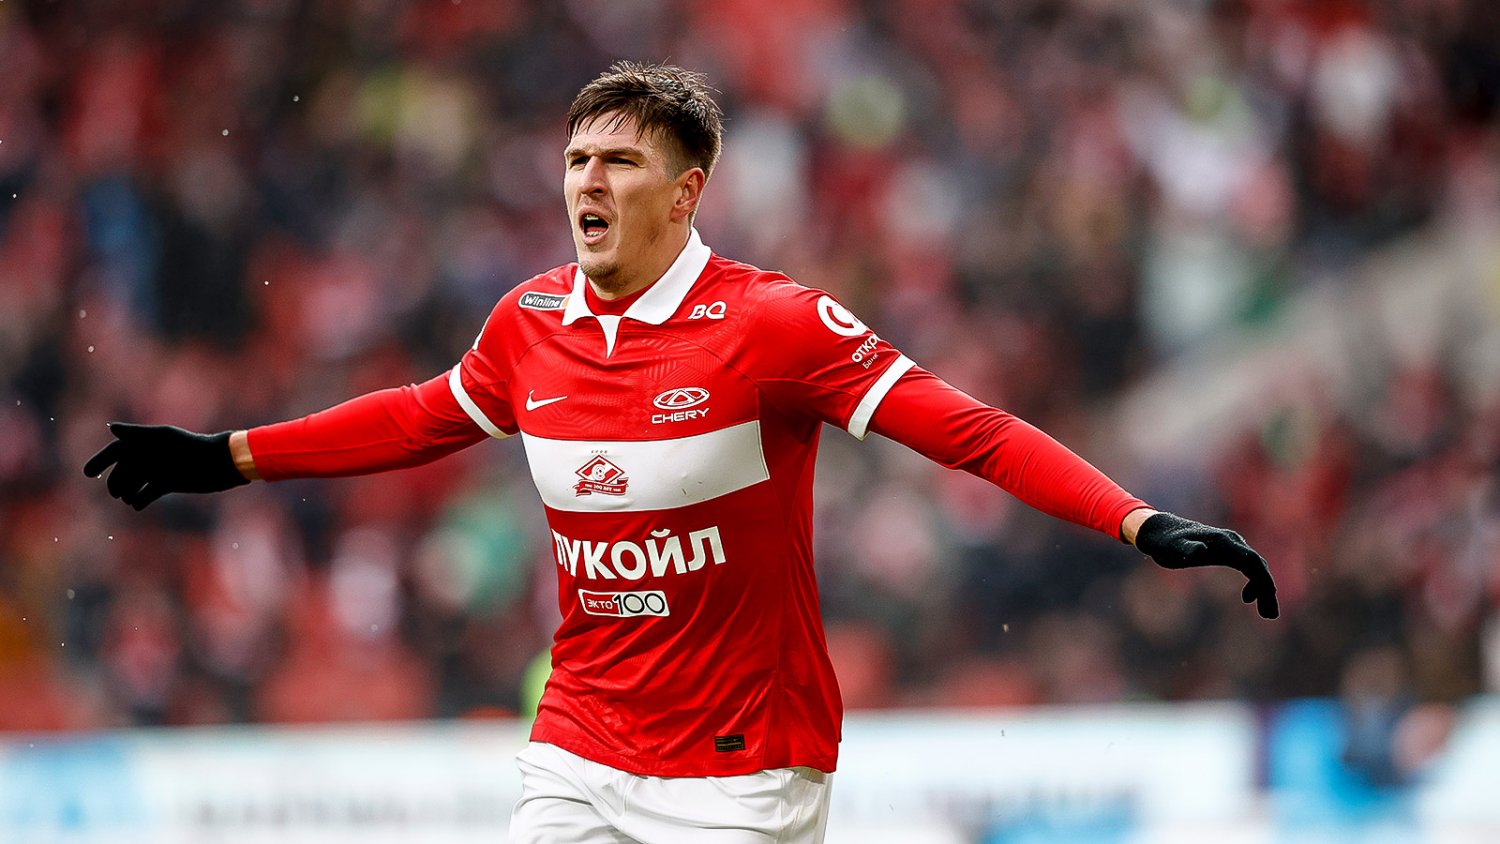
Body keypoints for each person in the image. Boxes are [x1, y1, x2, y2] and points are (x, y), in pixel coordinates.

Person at [85, 61, 1277, 844]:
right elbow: (414, 416)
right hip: (580, 740)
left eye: (619, 162)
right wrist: (229, 456)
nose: (587, 182)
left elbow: (971, 432)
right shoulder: (528, 323)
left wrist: (1135, 519)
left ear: (686, 193)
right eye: (576, 160)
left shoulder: (776, 326)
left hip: (744, 767)